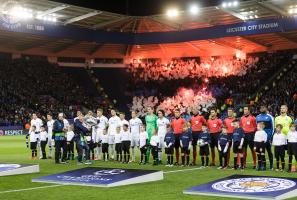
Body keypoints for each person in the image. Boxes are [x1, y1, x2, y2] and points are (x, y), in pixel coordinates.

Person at [256, 105, 274, 170]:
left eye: (263, 107)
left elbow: (273, 128)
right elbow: (257, 128)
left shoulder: (270, 117)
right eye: (261, 107)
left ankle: (271, 166)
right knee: (260, 152)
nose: (262, 108)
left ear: (266, 108)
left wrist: (269, 138)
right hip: (260, 139)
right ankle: (261, 165)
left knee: (269, 151)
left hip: (267, 139)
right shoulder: (257, 117)